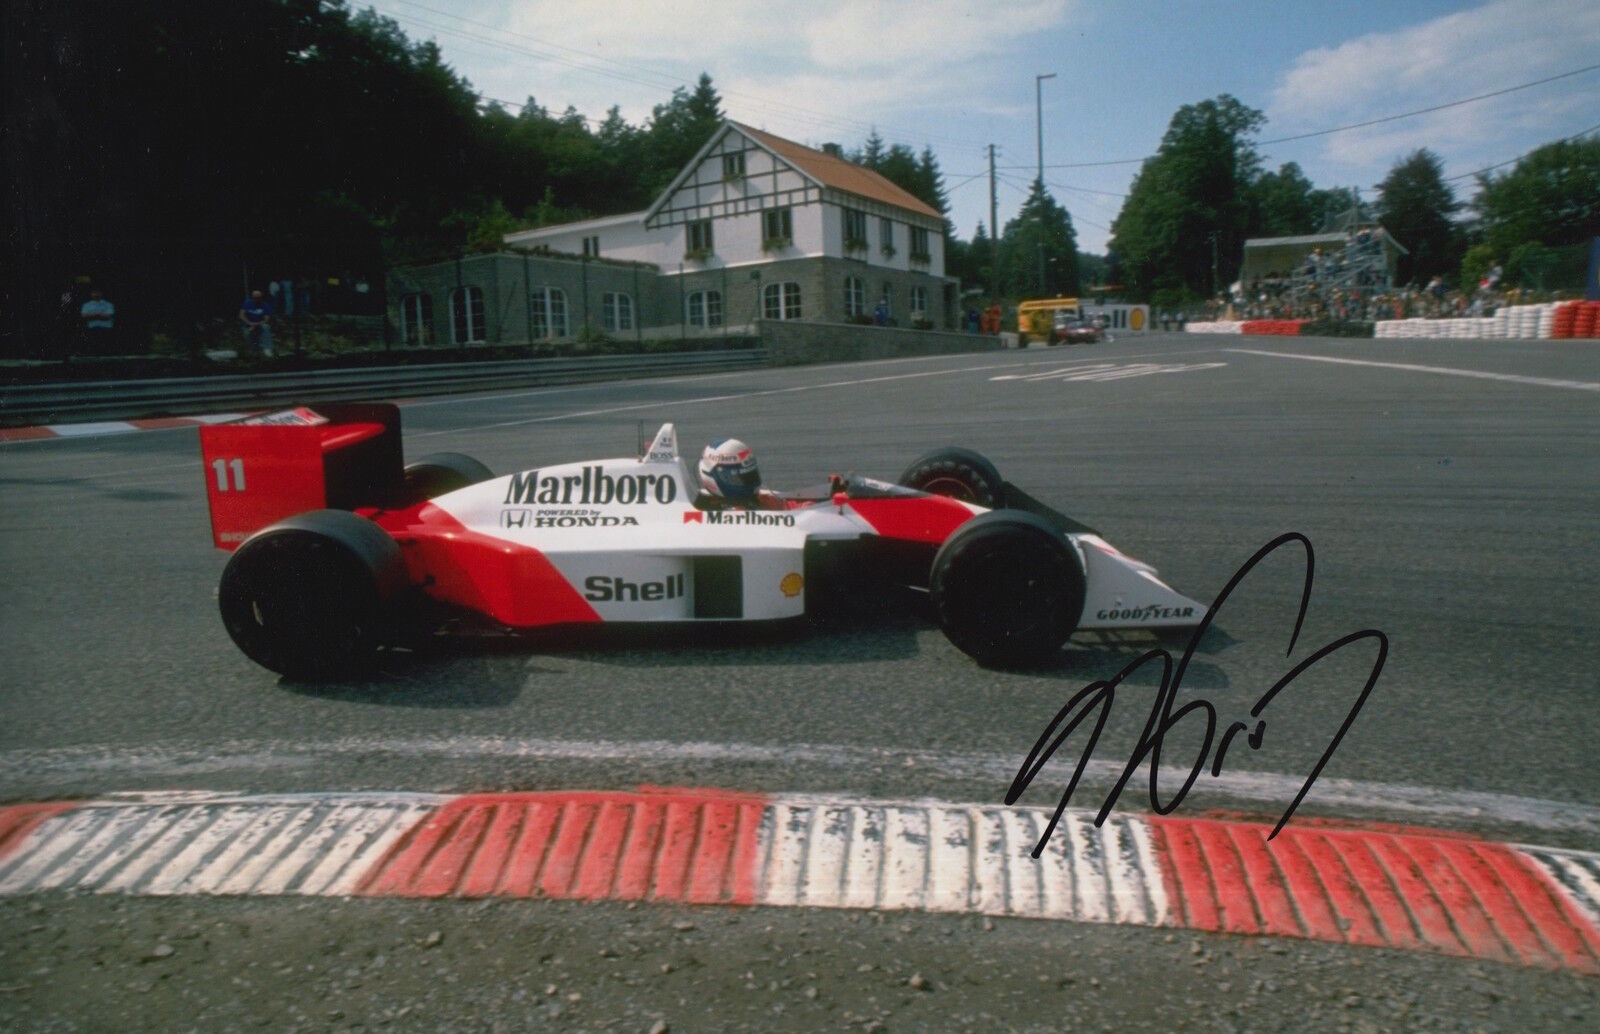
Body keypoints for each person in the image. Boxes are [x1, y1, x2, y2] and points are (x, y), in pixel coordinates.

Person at [697, 437, 785, 509]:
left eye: (751, 476)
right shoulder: (706, 513)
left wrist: (780, 507)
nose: (749, 484)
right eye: (737, 478)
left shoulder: (766, 502)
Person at [79, 288, 115, 355]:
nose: (96, 294)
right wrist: (100, 314)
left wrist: (93, 315)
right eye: (94, 292)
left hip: (106, 328)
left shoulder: (108, 304)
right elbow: (84, 316)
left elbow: (109, 315)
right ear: (91, 294)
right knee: (93, 346)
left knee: (106, 347)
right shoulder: (86, 305)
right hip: (92, 328)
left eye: (98, 292)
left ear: (101, 294)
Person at [239, 289, 274, 356]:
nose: (256, 299)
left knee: (266, 327)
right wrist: (249, 323)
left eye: (258, 298)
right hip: (249, 324)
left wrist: (257, 324)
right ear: (252, 297)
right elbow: (241, 315)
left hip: (259, 324)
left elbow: (267, 319)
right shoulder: (247, 303)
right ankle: (254, 350)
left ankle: (267, 349)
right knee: (247, 333)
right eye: (254, 298)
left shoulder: (264, 305)